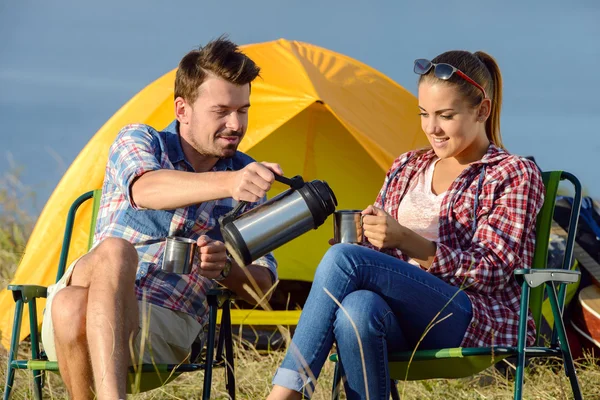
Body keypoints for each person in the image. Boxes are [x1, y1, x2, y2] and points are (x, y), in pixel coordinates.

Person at [268, 50, 545, 399]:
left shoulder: (511, 173)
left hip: (471, 317)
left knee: (344, 260)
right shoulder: (406, 167)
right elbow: (377, 256)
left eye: (446, 115)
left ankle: (285, 394)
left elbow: (493, 271)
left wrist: (406, 241)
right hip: (400, 315)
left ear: (482, 110)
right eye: (424, 114)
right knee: (357, 310)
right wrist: (369, 242)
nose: (432, 128)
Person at [40, 36, 281, 400]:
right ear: (182, 110)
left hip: (164, 324)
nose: (235, 124)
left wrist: (224, 269)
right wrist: (229, 182)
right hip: (90, 296)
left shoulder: (249, 180)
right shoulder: (140, 141)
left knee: (70, 305)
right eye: (221, 111)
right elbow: (145, 191)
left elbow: (264, 287)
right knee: (115, 253)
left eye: (243, 110)